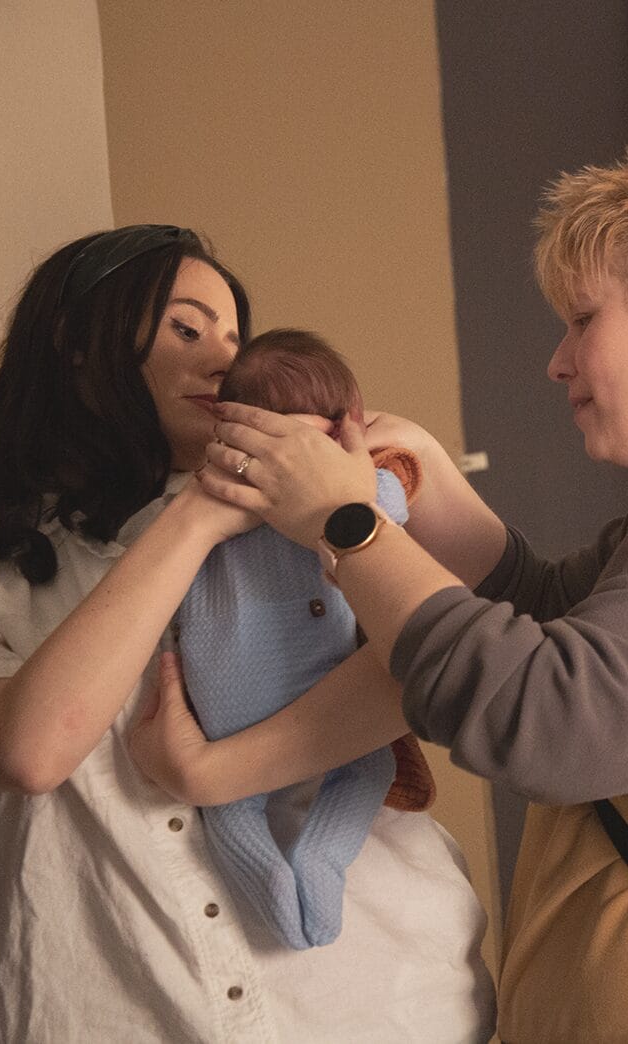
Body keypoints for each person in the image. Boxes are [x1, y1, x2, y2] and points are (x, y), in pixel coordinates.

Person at [132, 136, 628, 1041]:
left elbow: (553, 722)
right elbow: (561, 616)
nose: (558, 362)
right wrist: (437, 488)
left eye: (582, 320)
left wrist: (351, 526)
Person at [0, 225, 495, 1042]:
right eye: (187, 328)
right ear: (77, 346)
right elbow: (33, 749)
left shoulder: (316, 528)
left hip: (379, 1002)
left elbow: (428, 667)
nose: (223, 360)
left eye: (236, 337)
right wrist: (202, 513)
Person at [175, 327, 436, 951]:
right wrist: (358, 471)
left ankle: (261, 869)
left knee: (232, 806)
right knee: (366, 766)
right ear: (345, 426)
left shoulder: (195, 503)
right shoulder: (361, 489)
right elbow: (387, 518)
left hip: (219, 709)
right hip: (318, 695)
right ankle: (320, 861)